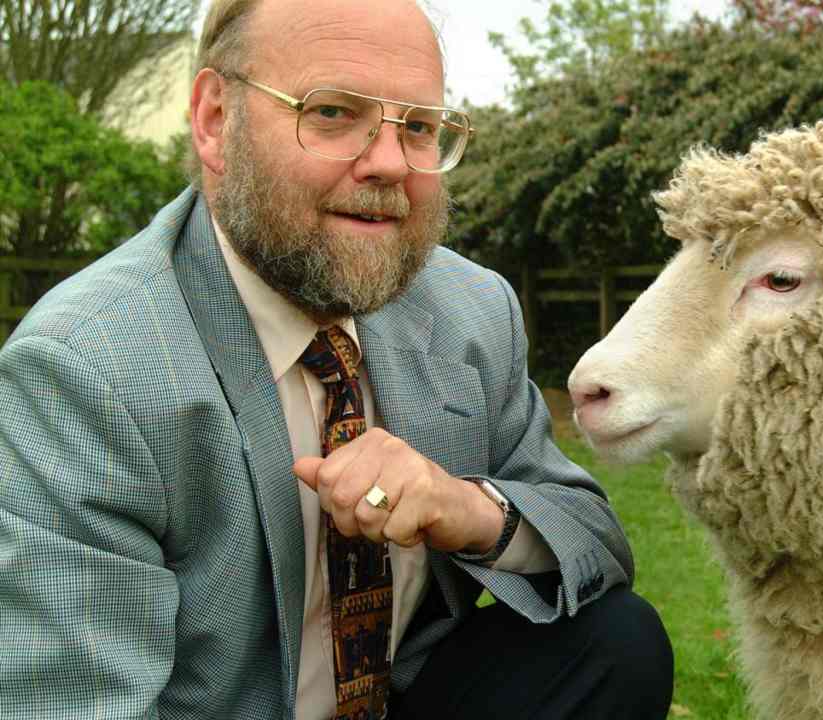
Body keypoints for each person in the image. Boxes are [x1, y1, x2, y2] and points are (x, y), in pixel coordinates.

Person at [0, 0, 673, 718]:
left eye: (418, 126)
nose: (388, 162)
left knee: (618, 642)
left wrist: (468, 508)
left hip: (405, 695)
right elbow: (72, 701)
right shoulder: (82, 369)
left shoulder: (474, 311)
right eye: (331, 113)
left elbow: (595, 547)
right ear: (214, 120)